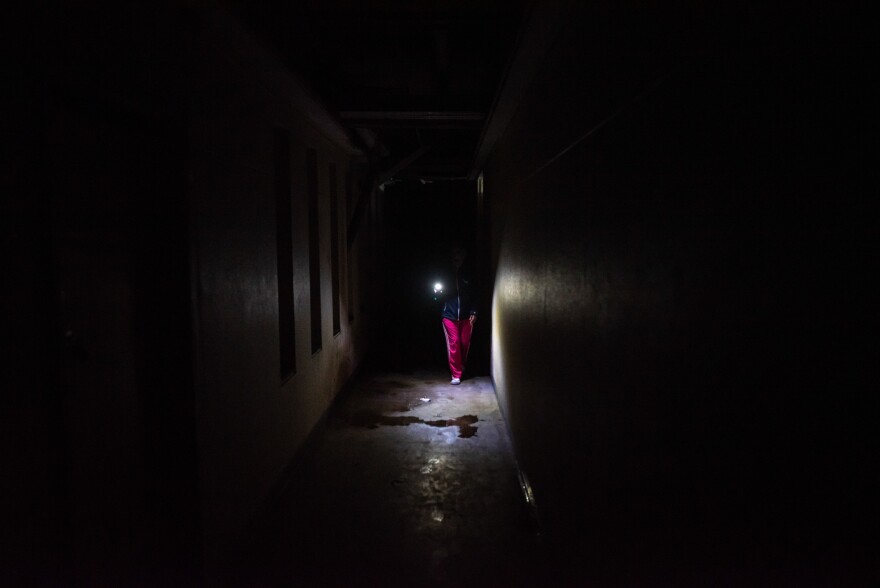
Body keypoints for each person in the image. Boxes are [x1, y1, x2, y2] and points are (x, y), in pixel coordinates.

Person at [435, 246, 477, 384]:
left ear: (464, 256)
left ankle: (461, 364)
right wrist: (438, 292)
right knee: (454, 343)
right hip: (449, 315)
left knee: (464, 343)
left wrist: (473, 311)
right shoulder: (445, 273)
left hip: (466, 316)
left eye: (459, 254)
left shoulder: (468, 273)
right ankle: (456, 374)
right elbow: (437, 294)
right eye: (454, 254)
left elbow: (475, 294)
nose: (456, 257)